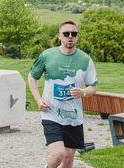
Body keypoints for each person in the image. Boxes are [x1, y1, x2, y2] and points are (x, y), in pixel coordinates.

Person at [28, 20, 98, 168]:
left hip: (73, 117)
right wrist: (38, 99)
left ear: (77, 36)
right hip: (52, 114)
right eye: (66, 34)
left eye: (74, 33)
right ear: (59, 36)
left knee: (68, 159)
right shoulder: (47, 55)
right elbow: (32, 77)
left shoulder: (85, 59)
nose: (70, 36)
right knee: (58, 155)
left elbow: (93, 87)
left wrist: (83, 92)